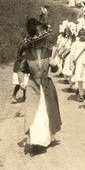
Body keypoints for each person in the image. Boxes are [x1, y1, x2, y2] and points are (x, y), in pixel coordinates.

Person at [20, 18, 62, 152]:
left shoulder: (49, 53)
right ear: (36, 41)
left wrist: (55, 65)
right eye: (42, 40)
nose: (45, 42)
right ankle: (35, 141)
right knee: (34, 113)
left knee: (46, 112)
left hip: (46, 87)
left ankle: (44, 140)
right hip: (33, 87)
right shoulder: (27, 55)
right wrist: (22, 81)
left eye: (45, 39)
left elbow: (56, 71)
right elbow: (21, 70)